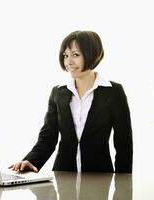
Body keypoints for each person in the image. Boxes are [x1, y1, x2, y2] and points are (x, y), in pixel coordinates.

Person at [9, 30, 133, 173]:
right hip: (63, 175)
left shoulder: (113, 92)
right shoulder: (58, 92)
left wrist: (124, 184)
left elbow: (124, 144)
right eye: (65, 55)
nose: (69, 62)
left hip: (99, 177)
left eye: (75, 55)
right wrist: (30, 160)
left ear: (92, 54)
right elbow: (48, 137)